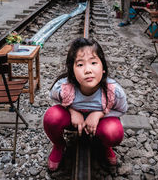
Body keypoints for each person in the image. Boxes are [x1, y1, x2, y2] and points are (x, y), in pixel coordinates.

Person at [43, 38, 127, 171]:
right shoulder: (64, 87)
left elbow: (121, 110)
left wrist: (99, 113)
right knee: (51, 116)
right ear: (72, 71)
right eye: (80, 65)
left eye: (93, 63)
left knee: (113, 132)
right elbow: (53, 98)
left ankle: (105, 146)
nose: (88, 70)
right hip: (73, 122)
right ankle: (59, 145)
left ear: (103, 68)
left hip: (99, 124)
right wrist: (71, 110)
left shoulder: (114, 91)